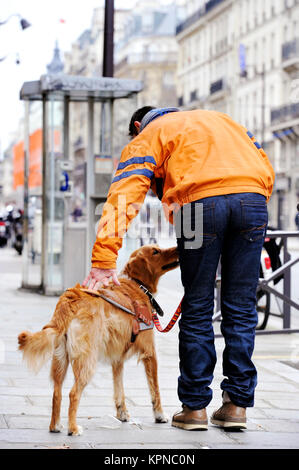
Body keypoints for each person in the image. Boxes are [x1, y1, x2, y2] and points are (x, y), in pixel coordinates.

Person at [82, 106, 275, 430]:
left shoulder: (150, 135)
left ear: (137, 126)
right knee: (241, 306)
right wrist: (247, 205)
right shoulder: (225, 120)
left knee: (198, 304)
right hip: (252, 202)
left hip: (198, 207)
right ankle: (237, 405)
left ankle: (195, 408)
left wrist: (103, 259)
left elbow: (123, 196)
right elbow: (264, 165)